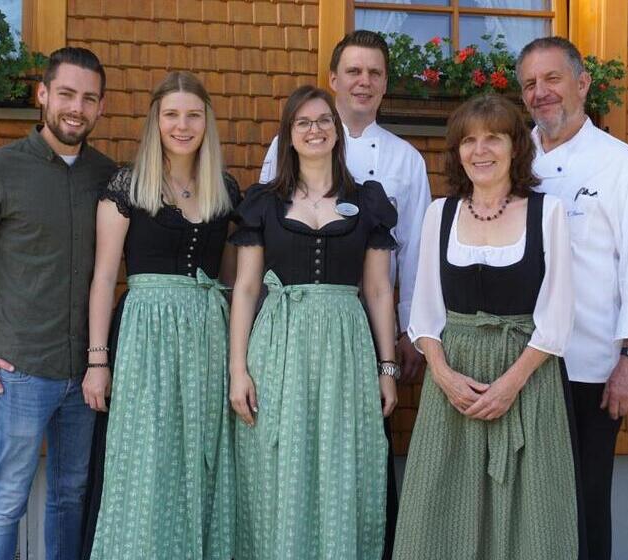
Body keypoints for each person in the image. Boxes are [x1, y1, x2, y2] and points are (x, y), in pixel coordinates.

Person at [0, 47, 115, 559]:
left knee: (71, 496)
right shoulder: (0, 171)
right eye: (67, 94)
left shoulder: (108, 177)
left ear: (101, 107)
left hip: (86, 374)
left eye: (89, 98)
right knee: (5, 500)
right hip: (20, 373)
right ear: (43, 95)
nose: (76, 108)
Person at [259, 31, 431, 555]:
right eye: (354, 71)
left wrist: (407, 332)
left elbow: (413, 252)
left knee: (356, 449)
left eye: (374, 73)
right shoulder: (285, 147)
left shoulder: (405, 159)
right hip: (294, 326)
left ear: (385, 84)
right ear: (333, 79)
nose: (364, 81)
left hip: (366, 324)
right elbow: (267, 239)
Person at [393, 94, 579, 559]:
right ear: (457, 152)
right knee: (439, 512)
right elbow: (425, 311)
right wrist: (444, 376)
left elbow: (557, 316)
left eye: (493, 138)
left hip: (526, 382)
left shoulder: (547, 212)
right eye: (468, 141)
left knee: (528, 516)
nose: (480, 150)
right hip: (453, 382)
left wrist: (509, 386)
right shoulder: (440, 213)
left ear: (516, 146)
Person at [229, 85, 399, 560]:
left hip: (346, 346)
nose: (314, 129)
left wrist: (387, 368)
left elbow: (378, 290)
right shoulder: (265, 202)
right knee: (279, 461)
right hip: (279, 345)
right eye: (303, 122)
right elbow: (246, 288)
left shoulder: (367, 201)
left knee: (342, 459)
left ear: (337, 131)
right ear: (289, 134)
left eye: (324, 120)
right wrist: (238, 370)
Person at [516, 37, 628, 560]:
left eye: (552, 79)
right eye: (529, 84)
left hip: (590, 367)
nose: (540, 92)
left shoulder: (620, 164)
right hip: (519, 363)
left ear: (582, 84)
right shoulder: (513, 157)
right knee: (526, 504)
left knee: (583, 501)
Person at [80, 71, 239, 560]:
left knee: (202, 454)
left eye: (193, 115)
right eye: (171, 115)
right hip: (145, 335)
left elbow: (233, 278)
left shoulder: (224, 189)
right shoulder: (128, 186)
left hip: (207, 336)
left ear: (207, 122)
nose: (182, 126)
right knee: (147, 456)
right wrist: (98, 360)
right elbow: (104, 278)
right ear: (156, 121)